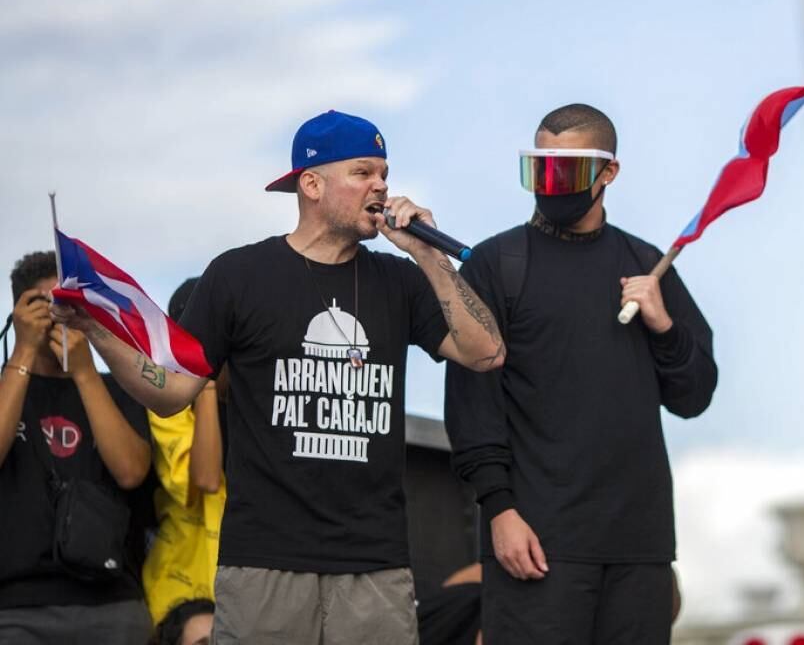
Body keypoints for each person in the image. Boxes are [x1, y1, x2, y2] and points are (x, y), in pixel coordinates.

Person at [52, 109, 506, 645]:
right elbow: (171, 391)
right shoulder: (239, 276)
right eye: (363, 172)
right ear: (312, 185)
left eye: (384, 173)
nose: (381, 186)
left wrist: (430, 257)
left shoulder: (399, 279)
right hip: (264, 563)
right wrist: (97, 331)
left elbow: (486, 352)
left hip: (374, 564)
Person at [445, 103, 717, 644]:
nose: (550, 185)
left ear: (608, 172)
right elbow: (472, 405)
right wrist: (499, 510)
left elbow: (694, 396)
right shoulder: (495, 264)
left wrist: (664, 326)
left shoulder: (647, 265)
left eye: (565, 172)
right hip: (537, 545)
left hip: (639, 550)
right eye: (538, 170)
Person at [0, 251, 153, 644]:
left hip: (110, 598)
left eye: (68, 304)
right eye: (44, 304)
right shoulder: (5, 390)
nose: (58, 315)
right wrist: (23, 351)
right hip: (16, 605)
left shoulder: (116, 387)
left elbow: (131, 471)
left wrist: (84, 372)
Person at [142, 278, 227, 624]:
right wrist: (204, 381)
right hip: (183, 594)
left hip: (250, 588)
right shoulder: (169, 407)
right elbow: (205, 479)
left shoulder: (260, 398)